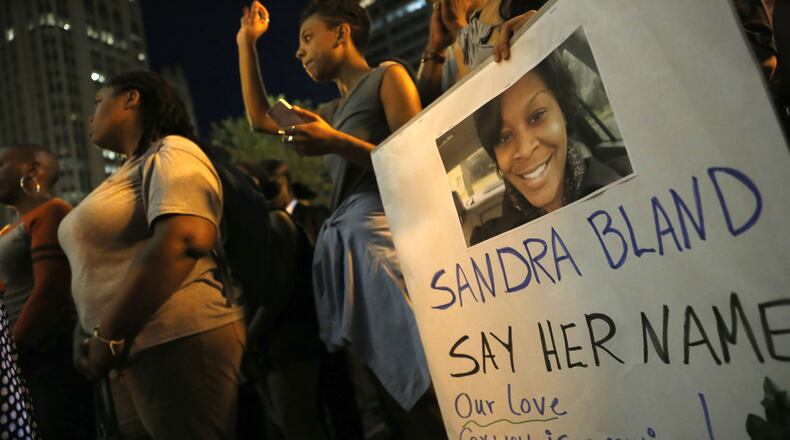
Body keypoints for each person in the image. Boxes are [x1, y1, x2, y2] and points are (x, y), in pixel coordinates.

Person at [237, 1, 444, 437]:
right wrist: (246, 43)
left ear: (341, 34)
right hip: (353, 253)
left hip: (387, 243)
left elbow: (416, 164)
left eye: (307, 38)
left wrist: (335, 143)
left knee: (420, 382)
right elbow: (260, 118)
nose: (299, 52)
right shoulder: (328, 114)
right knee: (385, 389)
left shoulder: (388, 76)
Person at [58, 71, 246, 439]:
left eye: (99, 102)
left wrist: (107, 336)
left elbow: (185, 237)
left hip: (175, 340)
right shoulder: (130, 169)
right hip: (125, 351)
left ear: (131, 98)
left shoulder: (172, 151)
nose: (90, 115)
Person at [471, 51, 631, 244]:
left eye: (536, 116)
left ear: (562, 112)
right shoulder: (488, 247)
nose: (526, 149)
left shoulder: (630, 179)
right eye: (504, 137)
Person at [0, 143, 92, 438]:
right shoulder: (8, 229)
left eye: (1, 164)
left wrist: (11, 354)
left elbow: (50, 291)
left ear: (31, 170)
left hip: (46, 357)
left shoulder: (52, 212)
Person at [418, 0, 545, 105]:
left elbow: (493, 97)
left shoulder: (513, 11)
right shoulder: (449, 50)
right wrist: (434, 49)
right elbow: (423, 108)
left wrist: (458, 28)